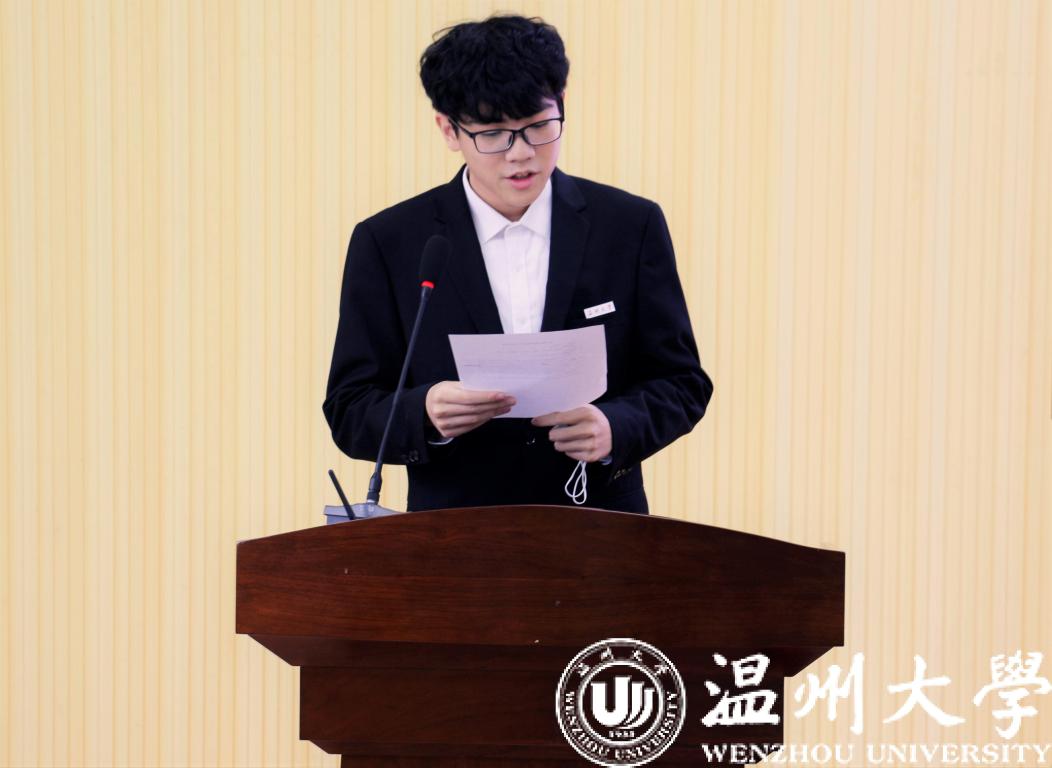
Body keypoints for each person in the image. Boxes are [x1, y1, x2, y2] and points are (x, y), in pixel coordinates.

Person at [323, 14, 713, 514]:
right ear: (448, 129)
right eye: (494, 134)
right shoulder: (389, 241)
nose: (521, 154)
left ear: (562, 105)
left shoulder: (629, 226)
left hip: (601, 529)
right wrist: (423, 413)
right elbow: (349, 407)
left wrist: (616, 426)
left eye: (539, 127)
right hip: (453, 535)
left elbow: (682, 383)